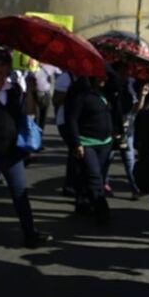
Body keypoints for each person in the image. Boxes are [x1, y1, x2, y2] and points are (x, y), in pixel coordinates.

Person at [0, 48, 51, 248]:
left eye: (3, 64)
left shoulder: (14, 89)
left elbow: (29, 113)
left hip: (12, 152)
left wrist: (31, 91)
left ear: (9, 67)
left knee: (20, 193)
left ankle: (30, 233)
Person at [65, 74, 118, 223]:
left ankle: (82, 202)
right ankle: (102, 210)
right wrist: (76, 143)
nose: (104, 79)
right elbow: (72, 119)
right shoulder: (81, 95)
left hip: (104, 143)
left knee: (92, 175)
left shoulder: (104, 94)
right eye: (101, 76)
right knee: (95, 177)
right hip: (86, 143)